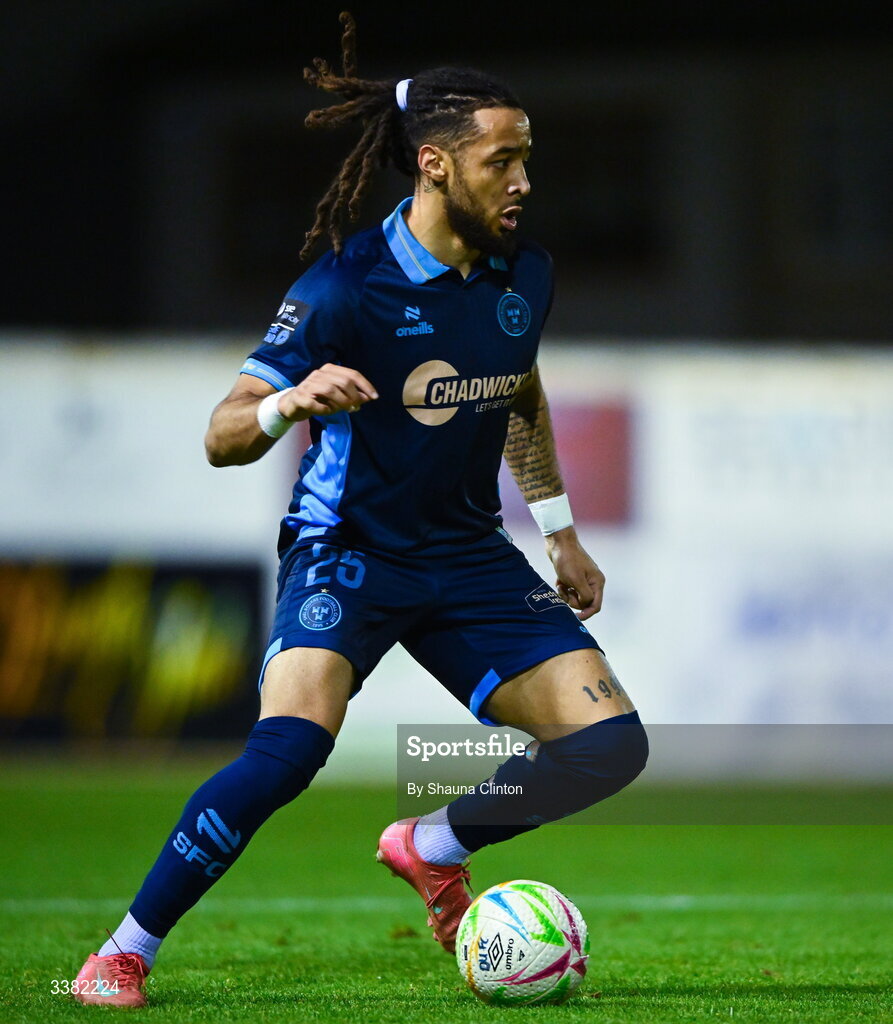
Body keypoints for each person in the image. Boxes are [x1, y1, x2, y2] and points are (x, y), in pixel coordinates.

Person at [73, 13, 648, 1008]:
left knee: (608, 747)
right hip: (347, 551)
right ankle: (123, 949)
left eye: (527, 161)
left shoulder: (526, 273)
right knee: (289, 750)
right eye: (500, 162)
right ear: (433, 164)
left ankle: (429, 842)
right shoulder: (344, 288)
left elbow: (517, 390)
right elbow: (221, 431)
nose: (522, 183)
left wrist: (557, 529)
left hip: (467, 554)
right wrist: (287, 401)